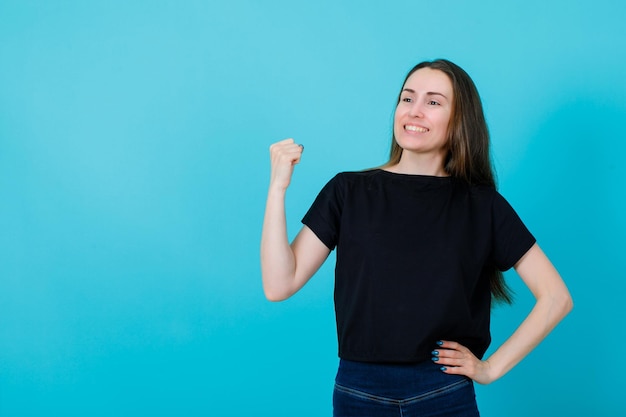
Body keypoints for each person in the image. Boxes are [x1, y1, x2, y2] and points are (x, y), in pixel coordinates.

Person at [260, 59, 573, 416]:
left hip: (442, 393)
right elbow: (278, 284)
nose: (415, 111)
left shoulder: (481, 205)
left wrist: (490, 368)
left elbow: (556, 298)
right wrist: (277, 188)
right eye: (408, 98)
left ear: (459, 120)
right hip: (358, 392)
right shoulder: (348, 191)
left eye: (433, 102)